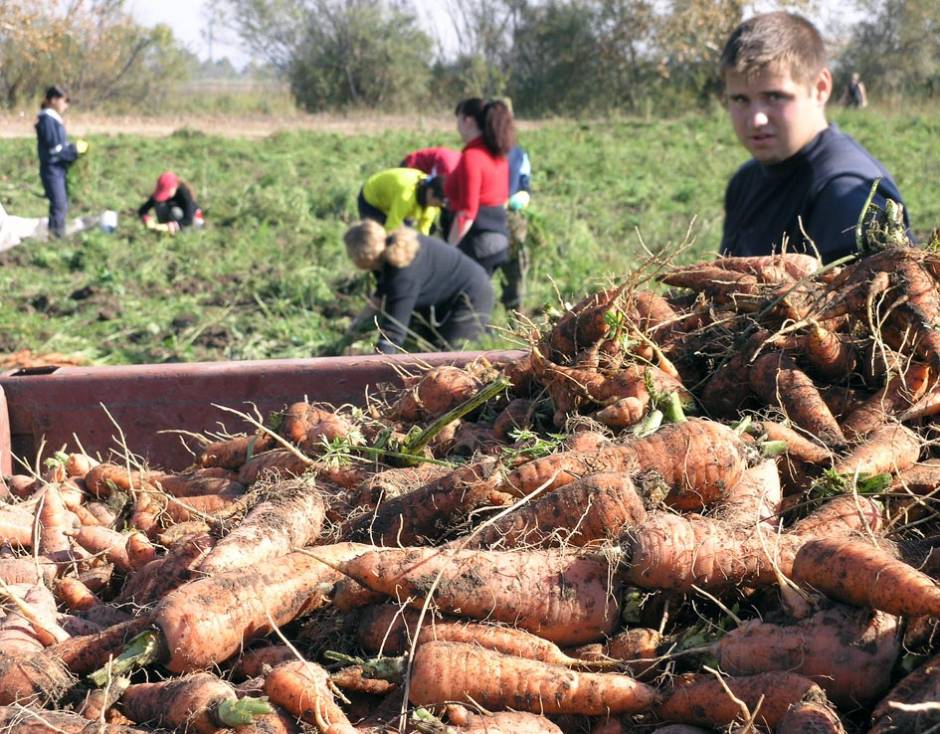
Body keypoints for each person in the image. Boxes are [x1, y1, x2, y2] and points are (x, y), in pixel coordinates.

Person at [718, 12, 907, 264]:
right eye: (740, 99)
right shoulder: (744, 182)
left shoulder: (845, 194)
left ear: (820, 88)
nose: (756, 119)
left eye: (774, 96)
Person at [344, 220, 493, 354]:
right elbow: (380, 296)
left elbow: (393, 332)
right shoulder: (392, 248)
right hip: (452, 295)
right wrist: (356, 325)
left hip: (471, 297)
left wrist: (375, 367)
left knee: (453, 359)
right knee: (431, 353)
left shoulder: (402, 274)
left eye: (351, 255)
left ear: (365, 257)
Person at [445, 98, 515, 275]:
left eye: (458, 120)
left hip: (477, 243)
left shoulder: (472, 157)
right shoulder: (499, 156)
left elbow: (467, 213)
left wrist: (448, 251)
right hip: (498, 239)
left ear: (467, 120)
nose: (457, 127)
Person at [35, 85, 87, 239]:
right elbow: (54, 149)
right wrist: (74, 151)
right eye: (65, 101)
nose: (66, 105)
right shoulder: (47, 119)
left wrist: (72, 148)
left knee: (61, 204)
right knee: (58, 204)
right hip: (52, 168)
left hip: (58, 168)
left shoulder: (53, 119)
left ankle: (56, 234)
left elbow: (60, 145)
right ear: (53, 100)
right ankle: (56, 237)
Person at [358, 168, 445, 235]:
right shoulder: (406, 196)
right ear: (430, 192)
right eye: (439, 202)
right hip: (371, 200)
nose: (441, 205)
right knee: (374, 238)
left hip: (393, 202)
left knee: (405, 235)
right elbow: (390, 228)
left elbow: (423, 231)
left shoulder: (431, 203)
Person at [502, 144, 532, 311]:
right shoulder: (477, 152)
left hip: (512, 217)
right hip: (486, 218)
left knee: (517, 269)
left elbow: (524, 183)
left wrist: (522, 196)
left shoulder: (518, 154)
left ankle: (517, 316)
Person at [138, 172, 204, 234]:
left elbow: (188, 220)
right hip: (175, 221)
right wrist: (147, 220)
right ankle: (163, 233)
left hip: (192, 223)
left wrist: (167, 227)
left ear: (174, 188)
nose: (164, 196)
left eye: (165, 192)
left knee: (176, 212)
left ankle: (177, 235)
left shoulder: (185, 195)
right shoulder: (162, 190)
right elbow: (142, 210)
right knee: (159, 204)